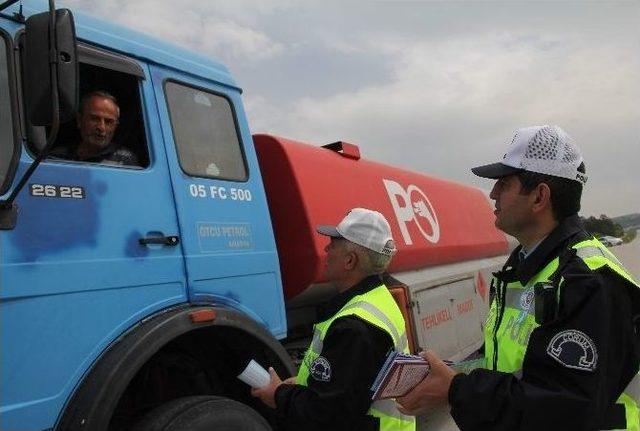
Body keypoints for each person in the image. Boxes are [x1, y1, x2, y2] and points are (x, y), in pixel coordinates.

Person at [397, 125, 640, 430]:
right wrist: (457, 373)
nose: (493, 194)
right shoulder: (524, 267)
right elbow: (516, 364)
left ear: (540, 197)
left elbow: (565, 410)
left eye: (504, 183)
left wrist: (456, 389)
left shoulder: (590, 282)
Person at [252, 208, 416, 431]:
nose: (327, 249)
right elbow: (346, 385)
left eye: (333, 244)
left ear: (350, 260)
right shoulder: (376, 300)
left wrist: (279, 395)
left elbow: (329, 414)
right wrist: (303, 386)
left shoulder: (355, 326)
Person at [52, 90, 138, 166]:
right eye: (94, 119)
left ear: (116, 126)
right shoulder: (57, 156)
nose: (101, 127)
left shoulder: (124, 161)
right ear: (79, 121)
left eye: (108, 122)